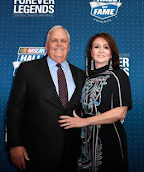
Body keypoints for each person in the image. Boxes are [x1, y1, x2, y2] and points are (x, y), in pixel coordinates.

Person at [7, 25, 86, 171]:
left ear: (68, 46)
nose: (59, 44)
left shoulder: (81, 75)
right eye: (54, 40)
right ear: (46, 45)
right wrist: (15, 144)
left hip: (72, 153)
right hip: (36, 152)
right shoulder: (27, 70)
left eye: (63, 41)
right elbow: (15, 108)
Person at [59, 33, 132, 172]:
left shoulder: (118, 75)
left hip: (109, 140)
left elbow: (121, 112)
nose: (101, 51)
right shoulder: (86, 79)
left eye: (106, 47)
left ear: (112, 53)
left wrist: (85, 122)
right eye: (96, 47)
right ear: (91, 53)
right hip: (85, 143)